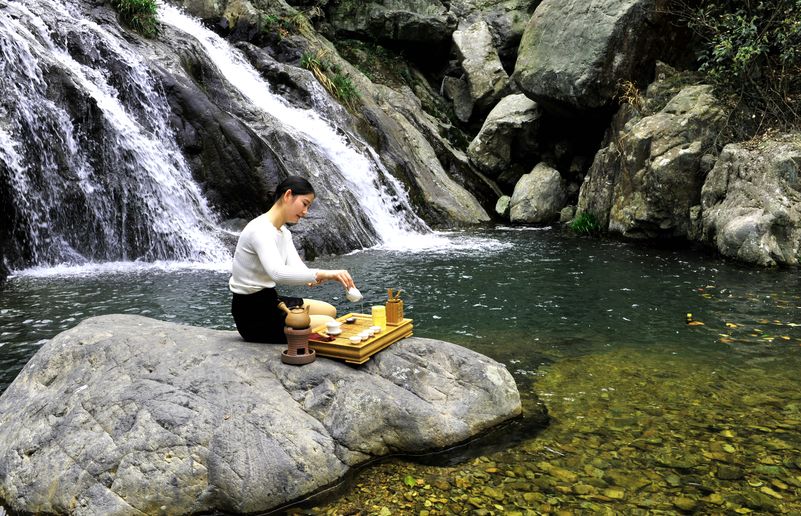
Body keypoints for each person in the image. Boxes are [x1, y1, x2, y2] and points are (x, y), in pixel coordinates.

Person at [229, 176, 356, 343]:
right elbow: (278, 274)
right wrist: (323, 273)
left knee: (329, 310)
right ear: (288, 195)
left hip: (271, 300)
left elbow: (297, 267)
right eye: (304, 204)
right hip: (253, 315)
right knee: (328, 323)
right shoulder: (259, 230)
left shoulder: (283, 232)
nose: (305, 212)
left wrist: (317, 277)